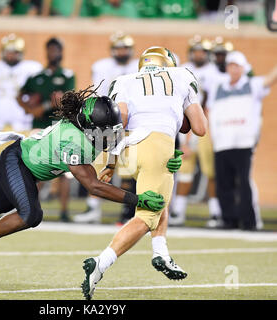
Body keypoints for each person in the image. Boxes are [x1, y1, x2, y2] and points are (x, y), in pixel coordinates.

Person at [0, 86, 168, 293]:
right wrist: (137, 199)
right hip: (17, 161)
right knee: (31, 214)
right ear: (91, 127)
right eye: (107, 130)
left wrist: (164, 156)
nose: (112, 133)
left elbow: (121, 144)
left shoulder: (90, 127)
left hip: (25, 170)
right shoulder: (72, 140)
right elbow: (93, 185)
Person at [81, 46, 208, 300]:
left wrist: (112, 163)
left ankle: (161, 252)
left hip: (128, 150)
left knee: (160, 193)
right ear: (167, 63)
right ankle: (101, 263)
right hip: (156, 145)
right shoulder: (182, 75)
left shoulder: (124, 79)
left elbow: (120, 119)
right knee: (149, 213)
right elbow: (200, 128)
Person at [207, 51, 277, 230]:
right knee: (224, 183)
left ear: (244, 68)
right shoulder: (218, 86)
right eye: (230, 65)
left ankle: (249, 221)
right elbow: (209, 110)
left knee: (244, 182)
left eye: (237, 65)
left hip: (244, 142)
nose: (233, 69)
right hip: (222, 142)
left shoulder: (252, 84)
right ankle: (228, 220)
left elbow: (270, 79)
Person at [73, 31, 139, 224]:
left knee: (128, 168)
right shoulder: (102, 67)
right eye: (118, 48)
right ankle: (93, 209)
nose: (121, 52)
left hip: (129, 122)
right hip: (106, 124)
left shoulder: (137, 68)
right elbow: (97, 96)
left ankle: (127, 213)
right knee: (99, 166)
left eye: (125, 48)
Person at [18, 37, 75, 222]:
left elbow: (62, 101)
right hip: (39, 126)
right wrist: (29, 108)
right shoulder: (37, 76)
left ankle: (64, 211)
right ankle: (31, 208)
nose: (54, 54)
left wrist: (40, 107)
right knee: (36, 170)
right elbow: (20, 95)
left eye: (56, 50)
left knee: (66, 171)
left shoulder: (67, 75)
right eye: (51, 50)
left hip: (61, 126)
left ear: (62, 52)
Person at [170, 35, 221, 228]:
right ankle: (179, 211)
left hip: (206, 126)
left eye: (202, 51)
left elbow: (210, 103)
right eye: (196, 51)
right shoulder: (182, 70)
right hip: (185, 125)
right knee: (184, 171)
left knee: (211, 171)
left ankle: (215, 213)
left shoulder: (214, 72)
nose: (199, 55)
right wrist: (184, 137)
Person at [0, 33, 42, 159]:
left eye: (14, 52)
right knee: (2, 163)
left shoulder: (32, 68)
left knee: (24, 163)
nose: (11, 55)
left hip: (23, 125)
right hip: (0, 126)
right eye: (8, 52)